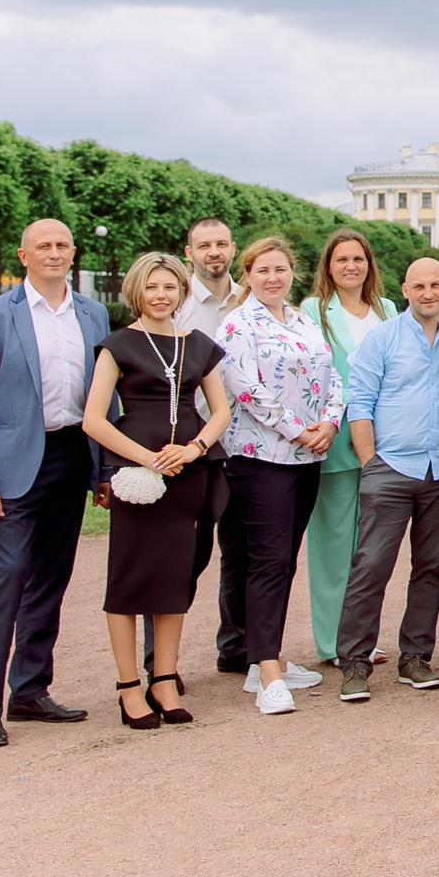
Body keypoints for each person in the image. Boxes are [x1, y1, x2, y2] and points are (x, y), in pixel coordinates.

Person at [0, 219, 111, 747]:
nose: (53, 253)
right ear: (23, 255)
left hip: (72, 456)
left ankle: (29, 690)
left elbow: (103, 400)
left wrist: (105, 469)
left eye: (62, 245)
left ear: (73, 252)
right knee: (10, 575)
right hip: (15, 464)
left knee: (51, 578)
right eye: (43, 246)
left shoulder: (93, 314)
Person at [80, 253, 232, 728]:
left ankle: (163, 678)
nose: (161, 295)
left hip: (188, 473)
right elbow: (93, 419)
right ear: (136, 292)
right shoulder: (117, 346)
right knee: (128, 578)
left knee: (174, 577)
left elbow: (221, 411)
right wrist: (146, 458)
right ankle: (129, 685)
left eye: (170, 287)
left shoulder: (198, 345)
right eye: (152, 287)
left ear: (181, 292)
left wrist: (194, 448)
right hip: (137, 476)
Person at [214, 236, 344, 716]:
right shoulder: (237, 326)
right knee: (266, 561)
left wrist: (330, 422)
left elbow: (333, 378)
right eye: (263, 270)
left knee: (282, 561)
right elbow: (244, 388)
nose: (273, 278)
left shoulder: (304, 320)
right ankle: (267, 674)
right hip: (260, 456)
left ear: (293, 274)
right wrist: (298, 430)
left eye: (281, 270)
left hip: (307, 458)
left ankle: (259, 657)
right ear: (247, 274)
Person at [336, 258, 439, 701]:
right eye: (418, 286)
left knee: (430, 568)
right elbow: (361, 404)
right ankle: (354, 662)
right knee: (371, 566)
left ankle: (415, 656)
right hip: (390, 468)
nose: (428, 293)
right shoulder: (382, 337)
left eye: (435, 285)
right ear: (405, 290)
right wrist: (371, 463)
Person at [303, 230, 396, 671]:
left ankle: (362, 638)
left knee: (371, 550)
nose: (350, 266)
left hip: (386, 442)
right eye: (341, 259)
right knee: (335, 547)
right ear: (329, 265)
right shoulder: (311, 311)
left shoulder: (388, 309)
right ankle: (331, 641)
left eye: (358, 258)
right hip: (336, 441)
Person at [177, 216, 245, 675]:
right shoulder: (176, 303)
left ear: (233, 248)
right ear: (190, 253)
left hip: (246, 443)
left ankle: (236, 647)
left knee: (242, 551)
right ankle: (158, 660)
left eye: (221, 244)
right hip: (192, 443)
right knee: (184, 555)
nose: (213, 252)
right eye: (204, 246)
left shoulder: (252, 297)